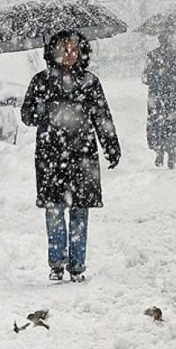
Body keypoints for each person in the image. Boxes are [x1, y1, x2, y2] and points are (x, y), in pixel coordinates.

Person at [20, 30, 121, 283]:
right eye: (64, 49)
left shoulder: (89, 82)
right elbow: (27, 116)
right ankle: (56, 263)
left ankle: (77, 265)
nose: (70, 55)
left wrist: (111, 146)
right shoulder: (40, 82)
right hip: (50, 155)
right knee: (54, 210)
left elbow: (102, 117)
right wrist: (41, 106)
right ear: (52, 52)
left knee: (79, 211)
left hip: (82, 155)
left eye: (74, 49)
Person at [142, 33, 176, 169]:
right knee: (174, 123)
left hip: (155, 95)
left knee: (156, 123)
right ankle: (172, 152)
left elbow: (145, 77)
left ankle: (159, 150)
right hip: (174, 95)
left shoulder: (152, 56)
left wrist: (157, 78)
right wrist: (175, 80)